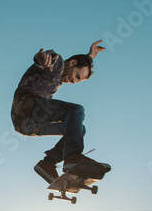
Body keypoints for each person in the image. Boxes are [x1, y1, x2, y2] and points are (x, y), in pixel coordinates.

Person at [11, 40, 111, 183]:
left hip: (28, 126)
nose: (75, 82)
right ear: (72, 63)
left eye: (79, 81)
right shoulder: (58, 64)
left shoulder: (59, 79)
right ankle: (73, 157)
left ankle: (47, 163)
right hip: (27, 107)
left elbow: (80, 63)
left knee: (78, 129)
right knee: (76, 110)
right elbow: (48, 58)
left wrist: (90, 56)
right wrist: (42, 58)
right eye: (77, 76)